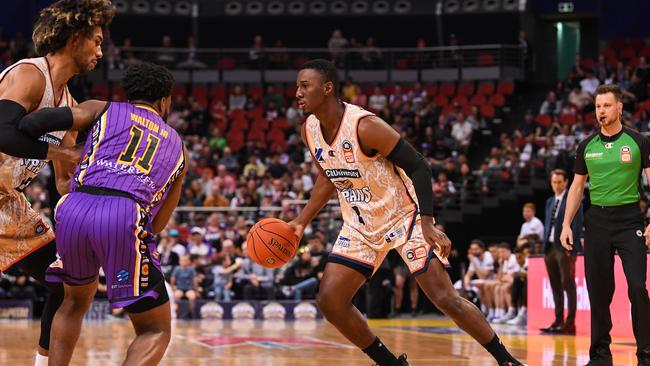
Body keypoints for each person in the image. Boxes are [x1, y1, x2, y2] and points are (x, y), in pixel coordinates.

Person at [289, 59, 524, 366]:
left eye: (304, 85)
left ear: (328, 88)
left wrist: (427, 222)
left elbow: (419, 166)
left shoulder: (365, 126)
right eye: (297, 86)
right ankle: (390, 363)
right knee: (330, 302)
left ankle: (506, 360)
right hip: (361, 224)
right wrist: (300, 222)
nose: (297, 92)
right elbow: (327, 177)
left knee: (444, 298)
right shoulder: (309, 129)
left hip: (405, 218)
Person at [20, 62, 188, 365]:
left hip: (73, 206)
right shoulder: (177, 145)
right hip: (124, 213)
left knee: (71, 304)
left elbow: (36, 123)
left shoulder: (102, 108)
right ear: (165, 100)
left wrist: (64, 154)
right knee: (155, 329)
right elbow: (159, 223)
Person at [0, 1, 114, 364]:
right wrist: (60, 155)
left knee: (66, 284)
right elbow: (1, 132)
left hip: (7, 202)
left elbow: (65, 185)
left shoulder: (70, 107)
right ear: (75, 37)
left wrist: (105, 193)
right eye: (95, 41)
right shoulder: (30, 75)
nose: (100, 51)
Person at [560, 84, 650, 366]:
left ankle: (645, 353)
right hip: (596, 221)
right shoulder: (586, 146)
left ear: (619, 107)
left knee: (637, 287)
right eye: (598, 106)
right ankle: (600, 355)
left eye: (607, 105)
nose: (601, 111)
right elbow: (576, 188)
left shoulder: (638, 141)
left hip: (629, 220)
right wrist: (566, 225)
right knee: (599, 291)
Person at [541, 169, 583, 335]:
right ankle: (558, 320)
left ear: (566, 182)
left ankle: (570, 324)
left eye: (559, 182)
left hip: (564, 247)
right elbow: (547, 225)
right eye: (554, 182)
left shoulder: (573, 198)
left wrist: (571, 247)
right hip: (549, 247)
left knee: (568, 284)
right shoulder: (549, 201)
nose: (556, 185)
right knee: (555, 285)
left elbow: (577, 224)